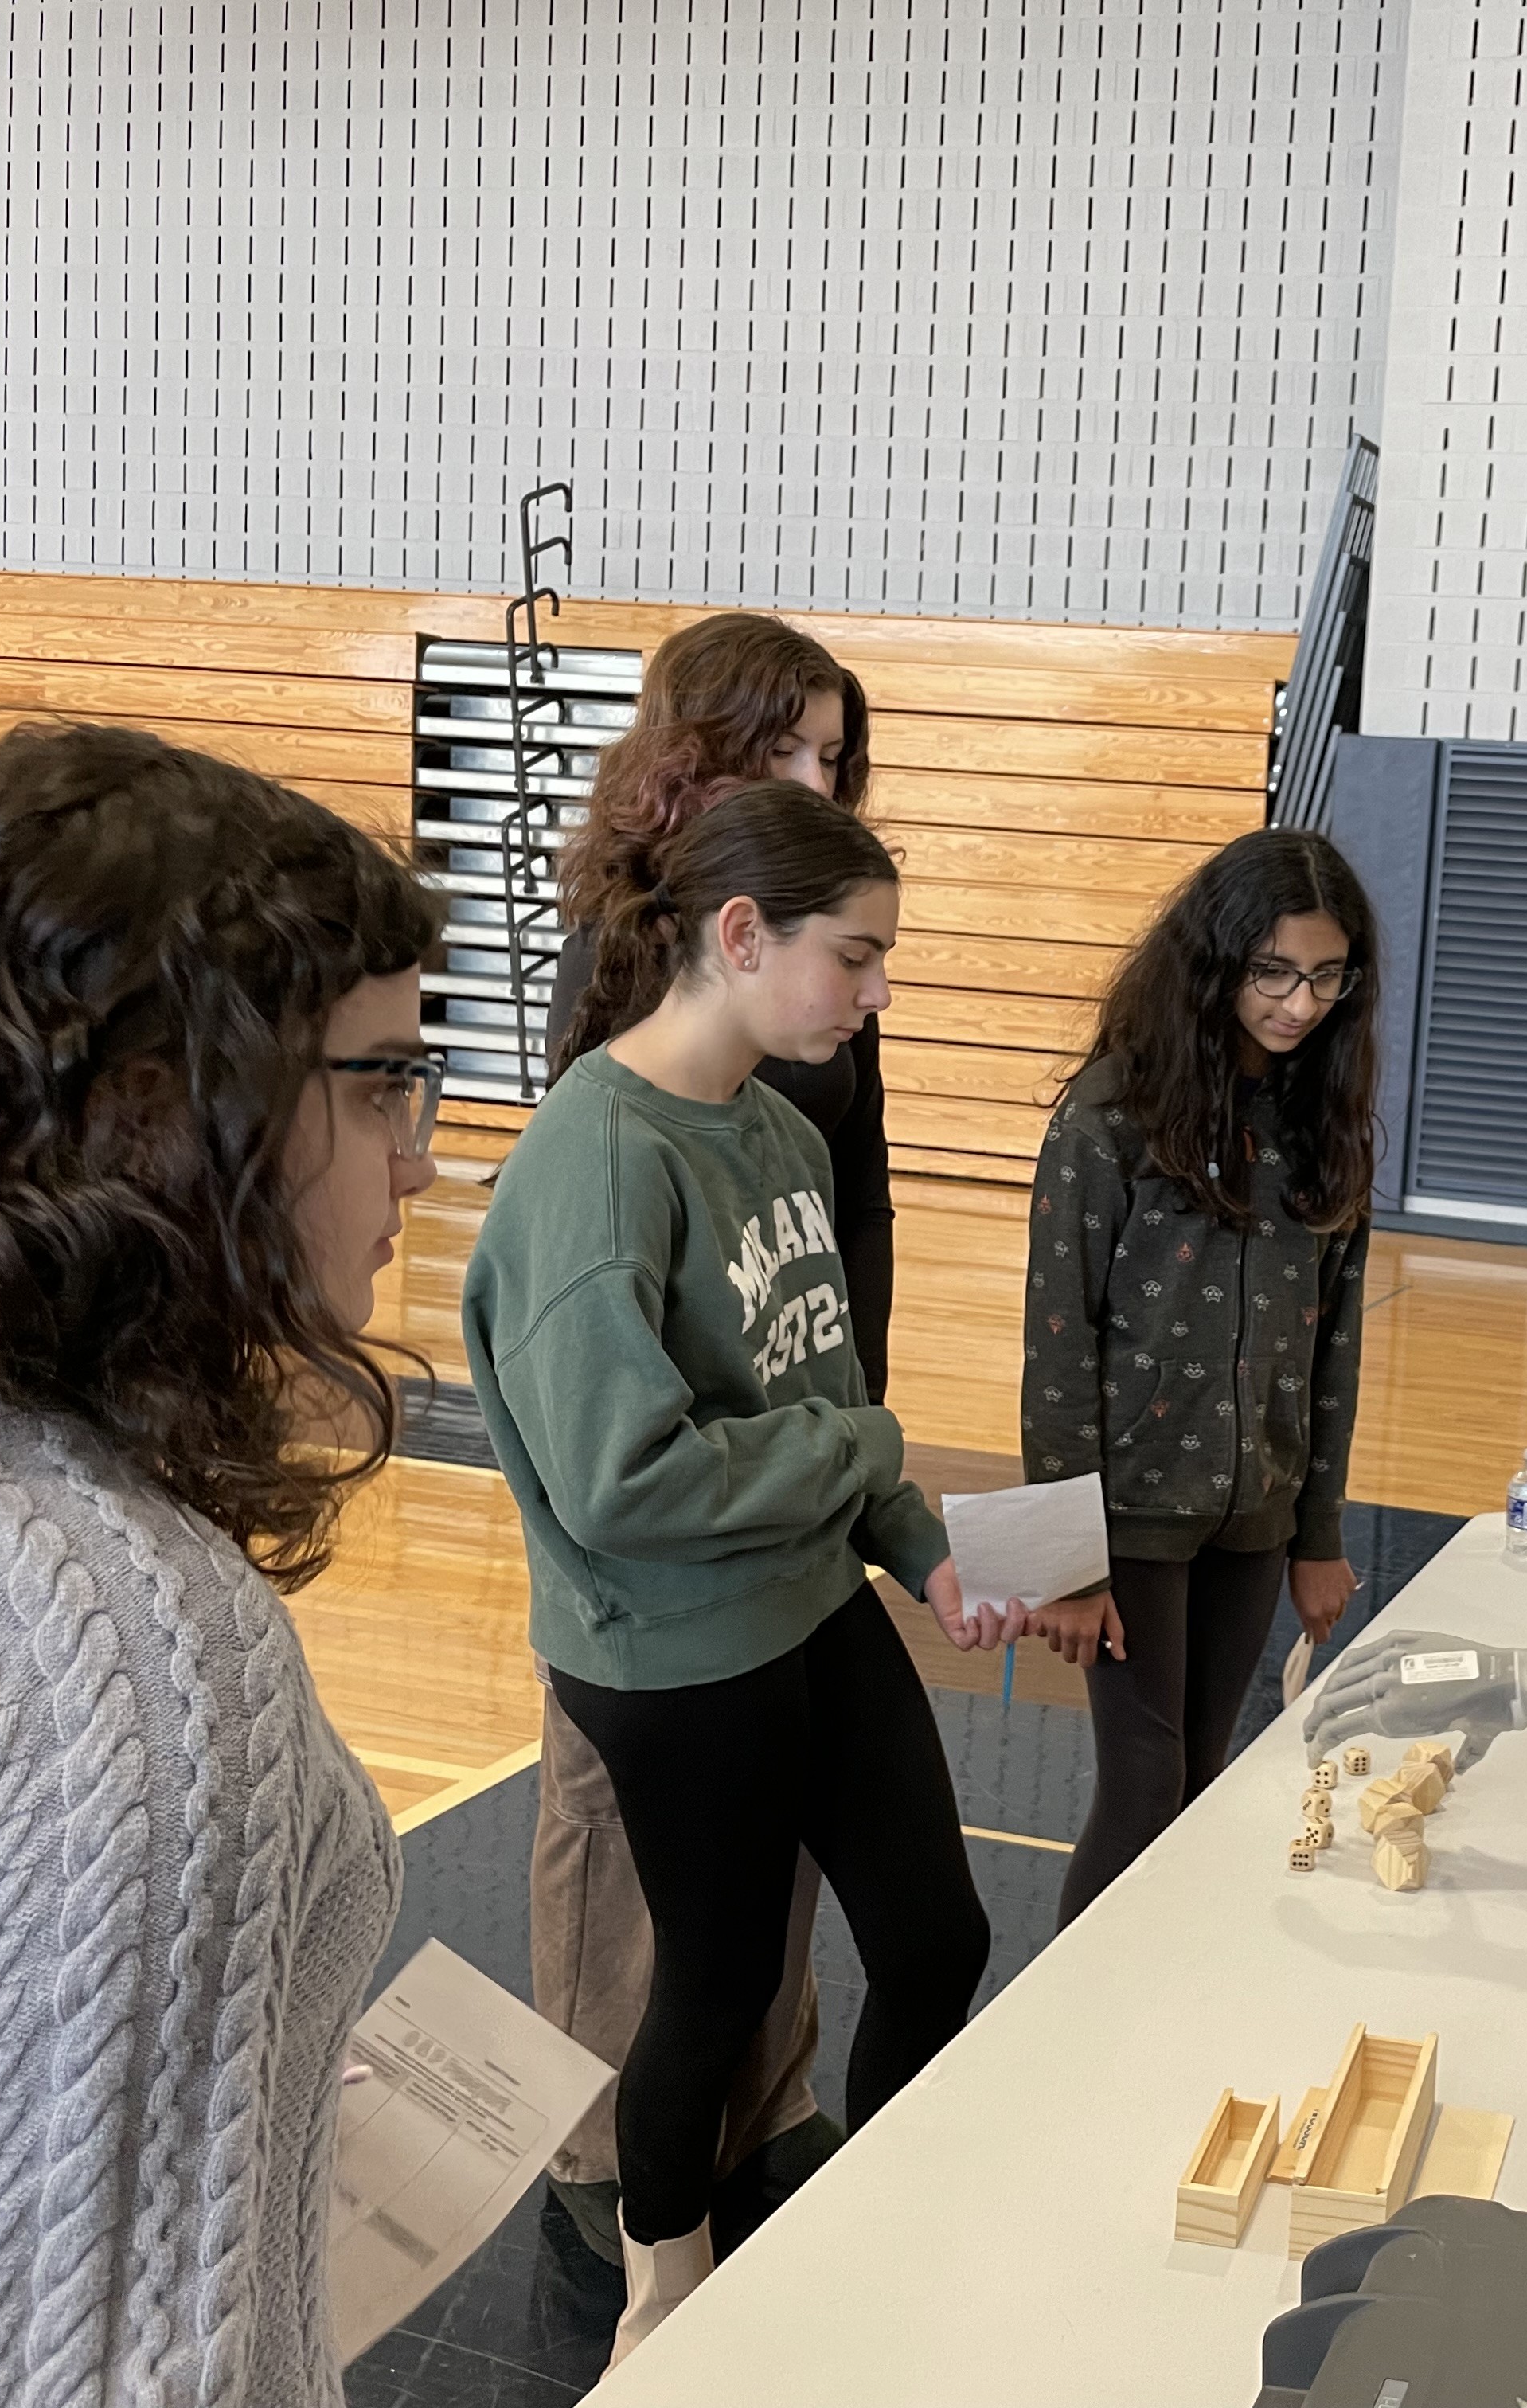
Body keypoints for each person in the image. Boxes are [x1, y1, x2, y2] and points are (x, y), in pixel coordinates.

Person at [0, 723, 443, 2402]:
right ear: (151, 1112)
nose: (421, 1153)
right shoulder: (119, 1665)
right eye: (382, 1082)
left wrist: (140, 2082)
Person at [463, 784, 1023, 2364]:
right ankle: (662, 2288)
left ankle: (873, 2228)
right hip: (670, 1648)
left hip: (813, 1605)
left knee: (937, 1939)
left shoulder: (780, 1132)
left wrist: (920, 1546)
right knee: (710, 1993)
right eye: (857, 954)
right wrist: (860, 1454)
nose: (876, 992)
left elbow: (818, 1388)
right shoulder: (596, 1158)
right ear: (739, 935)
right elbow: (622, 1480)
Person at [534, 612, 885, 2264]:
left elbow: (848, 1200)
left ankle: (761, 2096)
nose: (820, 778)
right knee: (626, 1837)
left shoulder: (826, 951)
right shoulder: (632, 968)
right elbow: (607, 1298)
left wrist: (853, 1420)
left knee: (777, 1826)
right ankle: (604, 2140)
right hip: (669, 1508)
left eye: (835, 756)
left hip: (793, 1443)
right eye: (788, 750)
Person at [1023, 828, 1378, 1922]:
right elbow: (1057, 1344)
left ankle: (1158, 1992)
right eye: (1273, 972)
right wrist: (1065, 1562)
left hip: (1256, 1514)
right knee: (1143, 1785)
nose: (1300, 1003)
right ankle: (1074, 2008)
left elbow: (1334, 1349)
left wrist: (1316, 1534)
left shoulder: (1326, 1129)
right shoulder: (1108, 1118)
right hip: (1130, 1514)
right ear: (1216, 960)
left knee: (1200, 1781)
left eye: (1327, 976)